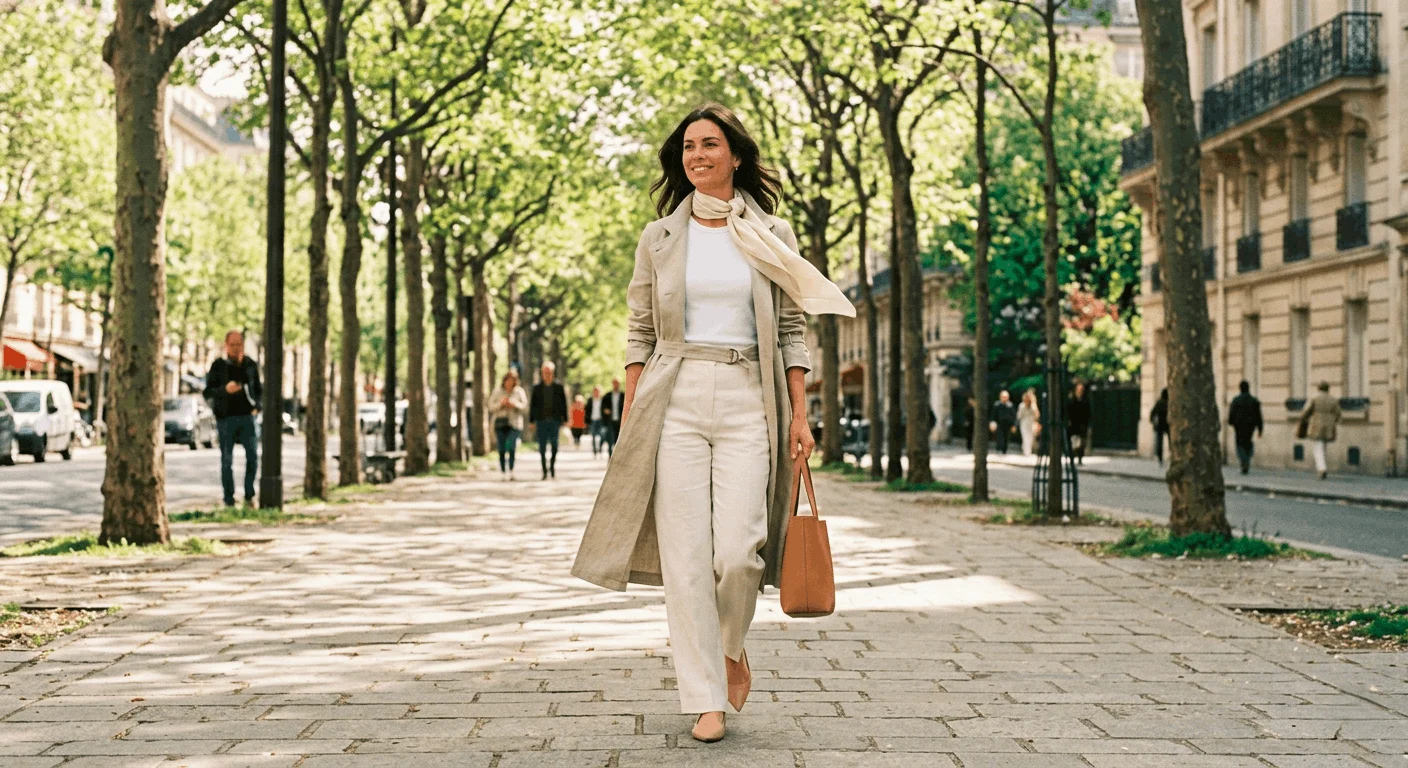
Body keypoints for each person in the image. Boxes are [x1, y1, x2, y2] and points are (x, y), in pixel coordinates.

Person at [570, 103, 854, 744]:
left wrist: (801, 413)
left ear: (735, 155)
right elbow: (640, 330)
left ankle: (730, 650)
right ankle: (706, 699)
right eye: (688, 147)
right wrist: (636, 407)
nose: (697, 155)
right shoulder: (659, 238)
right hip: (675, 396)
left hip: (749, 396)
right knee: (688, 558)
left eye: (710, 144)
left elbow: (789, 330)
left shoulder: (770, 233)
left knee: (740, 550)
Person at [203, 330, 262, 507]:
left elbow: (259, 390)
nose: (236, 348)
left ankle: (249, 494)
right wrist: (224, 390)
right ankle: (229, 498)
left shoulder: (250, 365)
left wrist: (257, 408)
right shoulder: (218, 366)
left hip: (247, 417)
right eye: (233, 344)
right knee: (227, 460)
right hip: (226, 419)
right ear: (226, 345)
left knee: (252, 456)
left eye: (239, 344)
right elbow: (208, 392)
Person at [529, 361, 568, 479]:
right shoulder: (537, 388)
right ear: (542, 373)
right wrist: (531, 421)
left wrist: (565, 419)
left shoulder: (559, 387)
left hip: (555, 420)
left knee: (555, 445)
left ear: (553, 373)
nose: (547, 375)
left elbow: (563, 404)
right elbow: (533, 405)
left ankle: (552, 466)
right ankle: (544, 470)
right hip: (541, 421)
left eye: (549, 372)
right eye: (545, 372)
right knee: (542, 447)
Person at [489, 371, 528, 480]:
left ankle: (511, 470)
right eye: (508, 380)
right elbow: (490, 406)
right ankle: (503, 471)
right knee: (501, 448)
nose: (509, 383)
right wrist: (501, 404)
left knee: (511, 447)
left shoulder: (519, 391)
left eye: (512, 380)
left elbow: (524, 406)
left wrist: (514, 404)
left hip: (514, 424)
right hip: (500, 422)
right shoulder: (497, 391)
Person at [1302, 381, 1342, 480]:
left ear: (1318, 388)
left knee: (1317, 448)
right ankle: (1323, 467)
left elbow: (1306, 411)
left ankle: (1322, 469)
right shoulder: (1333, 399)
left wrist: (1305, 419)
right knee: (1323, 447)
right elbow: (1338, 413)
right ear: (1328, 389)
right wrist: (1334, 421)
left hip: (1316, 424)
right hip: (1328, 426)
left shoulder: (1314, 398)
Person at [1228, 380, 1264, 475]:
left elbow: (1232, 414)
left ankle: (1244, 461)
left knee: (1240, 444)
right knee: (1248, 442)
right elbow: (1259, 416)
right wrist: (1260, 429)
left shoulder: (1236, 400)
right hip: (1250, 426)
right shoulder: (1254, 401)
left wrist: (1231, 422)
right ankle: (1247, 459)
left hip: (1239, 427)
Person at [1067, 382, 1092, 464]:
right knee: (1074, 442)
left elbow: (1088, 412)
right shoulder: (1072, 400)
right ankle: (1072, 458)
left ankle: (1080, 458)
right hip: (1073, 424)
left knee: (1082, 443)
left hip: (1082, 424)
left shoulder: (1085, 400)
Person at [601, 379, 625, 457]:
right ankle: (610, 457)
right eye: (614, 383)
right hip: (610, 421)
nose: (616, 385)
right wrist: (605, 410)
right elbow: (602, 407)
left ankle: (618, 457)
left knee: (618, 440)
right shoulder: (607, 396)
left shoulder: (623, 395)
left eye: (617, 383)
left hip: (620, 421)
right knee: (610, 439)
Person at [990, 390, 1017, 455]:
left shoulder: (1010, 405)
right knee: (999, 436)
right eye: (1003, 397)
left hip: (1008, 424)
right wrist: (992, 423)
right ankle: (999, 449)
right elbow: (993, 415)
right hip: (999, 423)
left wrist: (1014, 425)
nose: (1004, 398)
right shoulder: (997, 405)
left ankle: (1004, 450)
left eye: (1006, 397)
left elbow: (1014, 416)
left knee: (1006, 437)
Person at [1016, 389, 1040, 457]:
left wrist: (1033, 406)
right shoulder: (1021, 405)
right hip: (1024, 423)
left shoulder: (1033, 405)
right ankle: (1027, 453)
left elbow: (1037, 415)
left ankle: (1026, 451)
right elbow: (1019, 416)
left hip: (1032, 424)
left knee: (1031, 438)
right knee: (1025, 437)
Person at [1150, 388, 1169, 466]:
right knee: (1171, 441)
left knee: (1159, 442)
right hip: (1168, 424)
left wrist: (1152, 421)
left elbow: (1153, 413)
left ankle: (1160, 458)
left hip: (1160, 424)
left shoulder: (1159, 402)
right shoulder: (1169, 403)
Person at [587, 386, 607, 457]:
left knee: (603, 436)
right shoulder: (590, 400)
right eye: (595, 391)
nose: (596, 393)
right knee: (593, 436)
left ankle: (600, 448)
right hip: (593, 420)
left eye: (598, 391)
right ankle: (595, 451)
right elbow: (587, 411)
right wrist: (587, 421)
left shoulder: (603, 400)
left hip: (601, 420)